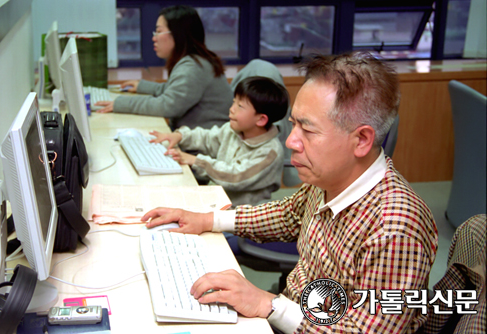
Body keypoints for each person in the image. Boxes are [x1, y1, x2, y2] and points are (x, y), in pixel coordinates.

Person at [141, 51, 439, 333]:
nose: (290, 142)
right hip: (293, 310)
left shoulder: (396, 229)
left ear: (361, 140)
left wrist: (267, 305)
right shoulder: (328, 180)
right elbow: (286, 215)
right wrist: (208, 220)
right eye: (293, 125)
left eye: (308, 131)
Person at [150, 76, 289, 206]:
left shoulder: (270, 153)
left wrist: (196, 161)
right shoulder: (233, 130)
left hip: (240, 221)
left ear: (261, 119)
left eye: (240, 106)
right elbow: (207, 138)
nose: (231, 109)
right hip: (215, 203)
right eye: (234, 102)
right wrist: (180, 136)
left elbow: (236, 177)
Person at [95, 5, 232, 131]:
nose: (154, 38)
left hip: (202, 148)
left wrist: (121, 104)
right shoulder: (194, 61)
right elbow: (172, 91)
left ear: (178, 34)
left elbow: (167, 105)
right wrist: (142, 86)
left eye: (158, 32)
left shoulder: (193, 68)